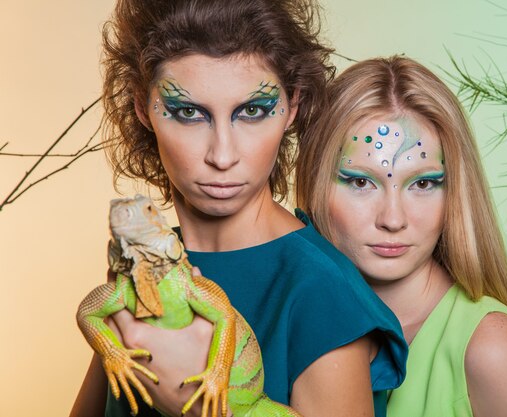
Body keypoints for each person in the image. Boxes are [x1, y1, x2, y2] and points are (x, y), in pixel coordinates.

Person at [70, 2, 407, 417]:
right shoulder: (151, 264)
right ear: (143, 108)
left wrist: (195, 409)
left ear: (293, 107)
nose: (223, 154)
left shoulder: (320, 293)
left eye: (252, 111)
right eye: (189, 112)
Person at [296, 56, 507, 417]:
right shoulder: (301, 320)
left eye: (423, 183)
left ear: (455, 191)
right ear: (314, 183)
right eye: (361, 182)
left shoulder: (492, 347)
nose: (393, 219)